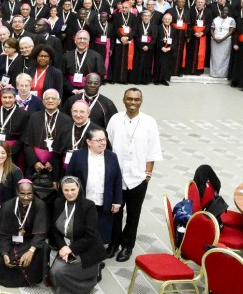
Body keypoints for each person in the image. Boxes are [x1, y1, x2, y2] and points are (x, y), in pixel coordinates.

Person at [105, 88, 161, 262]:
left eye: (136, 100)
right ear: (123, 100)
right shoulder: (115, 120)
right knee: (114, 212)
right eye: (129, 99)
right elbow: (108, 145)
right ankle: (113, 243)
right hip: (117, 176)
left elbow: (152, 149)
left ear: (141, 101)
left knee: (133, 214)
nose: (132, 103)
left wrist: (148, 174)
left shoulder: (149, 122)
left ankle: (127, 246)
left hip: (138, 177)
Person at [49, 176, 109, 294]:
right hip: (66, 246)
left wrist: (70, 249)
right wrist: (63, 247)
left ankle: (83, 285)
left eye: (73, 189)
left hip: (86, 249)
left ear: (79, 188)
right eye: (66, 190)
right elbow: (54, 230)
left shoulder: (88, 206)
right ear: (62, 190)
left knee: (59, 272)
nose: (70, 193)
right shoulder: (58, 202)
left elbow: (90, 236)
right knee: (53, 273)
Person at [64, 126, 123, 245]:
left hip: (103, 200)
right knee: (82, 228)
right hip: (84, 199)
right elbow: (69, 177)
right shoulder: (78, 155)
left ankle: (97, 258)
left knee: (101, 230)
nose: (102, 143)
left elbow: (117, 179)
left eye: (104, 139)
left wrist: (117, 201)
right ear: (89, 142)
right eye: (98, 140)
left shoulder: (112, 156)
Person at [0, 180, 49, 288]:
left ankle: (33, 276)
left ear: (33, 192)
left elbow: (40, 232)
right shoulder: (8, 205)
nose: (26, 197)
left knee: (44, 249)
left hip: (30, 240)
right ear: (17, 192)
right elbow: (3, 234)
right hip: (11, 240)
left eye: (29, 194)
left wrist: (31, 251)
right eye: (22, 194)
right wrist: (4, 253)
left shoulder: (40, 205)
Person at [21, 89, 72, 187]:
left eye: (53, 98)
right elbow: (27, 143)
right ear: (43, 101)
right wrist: (35, 162)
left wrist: (53, 162)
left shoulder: (67, 120)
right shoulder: (34, 117)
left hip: (56, 165)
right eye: (47, 98)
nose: (50, 101)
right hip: (34, 166)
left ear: (59, 101)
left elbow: (66, 146)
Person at [209, 5, 235, 78]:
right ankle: (213, 73)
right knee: (215, 57)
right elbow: (212, 29)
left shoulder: (231, 20)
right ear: (221, 11)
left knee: (224, 57)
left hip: (226, 41)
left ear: (228, 12)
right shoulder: (215, 19)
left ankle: (222, 74)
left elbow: (231, 31)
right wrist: (214, 37)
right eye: (223, 10)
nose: (224, 12)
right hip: (215, 40)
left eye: (226, 10)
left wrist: (222, 39)